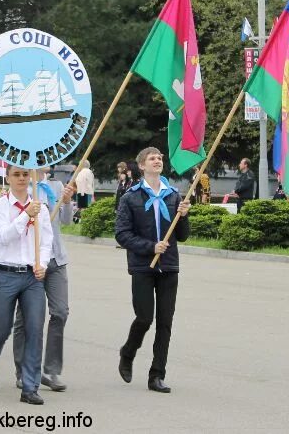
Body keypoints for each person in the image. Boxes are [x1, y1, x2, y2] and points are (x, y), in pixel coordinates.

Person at [116, 147, 190, 394]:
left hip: (169, 266)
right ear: (141, 166)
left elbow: (183, 236)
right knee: (145, 318)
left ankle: (157, 374)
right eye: (152, 158)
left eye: (159, 158)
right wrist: (150, 247)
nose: (157, 160)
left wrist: (184, 216)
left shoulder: (173, 195)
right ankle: (128, 352)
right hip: (142, 267)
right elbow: (122, 234)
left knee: (165, 323)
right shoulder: (130, 197)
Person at [0, 165, 52, 405]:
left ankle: (30, 386)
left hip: (33, 277)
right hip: (6, 274)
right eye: (17, 175)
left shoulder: (40, 207)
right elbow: (3, 236)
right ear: (8, 178)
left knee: (34, 328)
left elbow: (46, 239)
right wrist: (25, 215)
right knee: (1, 328)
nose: (21, 179)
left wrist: (42, 262)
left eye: (25, 175)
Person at [13, 168, 75, 393]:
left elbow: (66, 221)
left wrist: (67, 202)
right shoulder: (20, 187)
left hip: (56, 259)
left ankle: (51, 370)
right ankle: (23, 371)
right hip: (30, 260)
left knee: (60, 312)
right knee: (27, 317)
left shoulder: (57, 187)